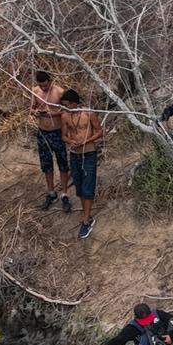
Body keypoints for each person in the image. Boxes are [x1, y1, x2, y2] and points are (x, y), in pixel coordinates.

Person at [59, 89, 103, 239]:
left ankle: (86, 219)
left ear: (74, 103)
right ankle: (86, 215)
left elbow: (99, 131)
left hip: (89, 153)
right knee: (79, 186)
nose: (66, 108)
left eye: (67, 105)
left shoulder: (88, 113)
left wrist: (86, 141)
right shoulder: (65, 116)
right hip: (75, 154)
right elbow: (64, 135)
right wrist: (71, 141)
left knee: (88, 185)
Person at [29, 70, 71, 212]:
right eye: (42, 86)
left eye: (46, 86)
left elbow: (68, 109)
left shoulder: (59, 92)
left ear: (50, 81)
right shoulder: (35, 91)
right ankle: (51, 193)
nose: (44, 88)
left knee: (62, 163)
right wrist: (35, 112)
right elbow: (31, 108)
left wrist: (55, 113)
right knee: (46, 165)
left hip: (57, 132)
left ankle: (65, 194)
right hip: (43, 132)